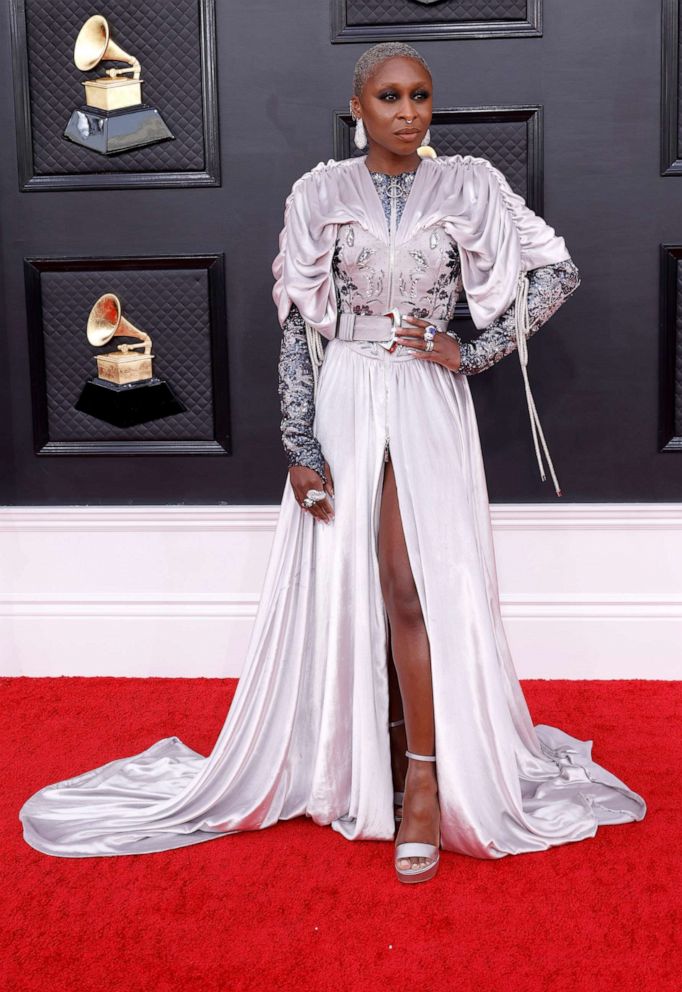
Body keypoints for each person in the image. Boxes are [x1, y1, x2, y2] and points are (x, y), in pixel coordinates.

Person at [19, 42, 646, 883]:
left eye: (421, 96)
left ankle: (424, 784)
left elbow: (556, 271)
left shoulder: (471, 186)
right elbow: (300, 329)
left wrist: (474, 349)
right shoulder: (319, 193)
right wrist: (300, 443)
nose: (408, 112)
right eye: (389, 96)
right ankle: (378, 758)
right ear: (359, 106)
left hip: (425, 401)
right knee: (362, 584)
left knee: (410, 581)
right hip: (348, 394)